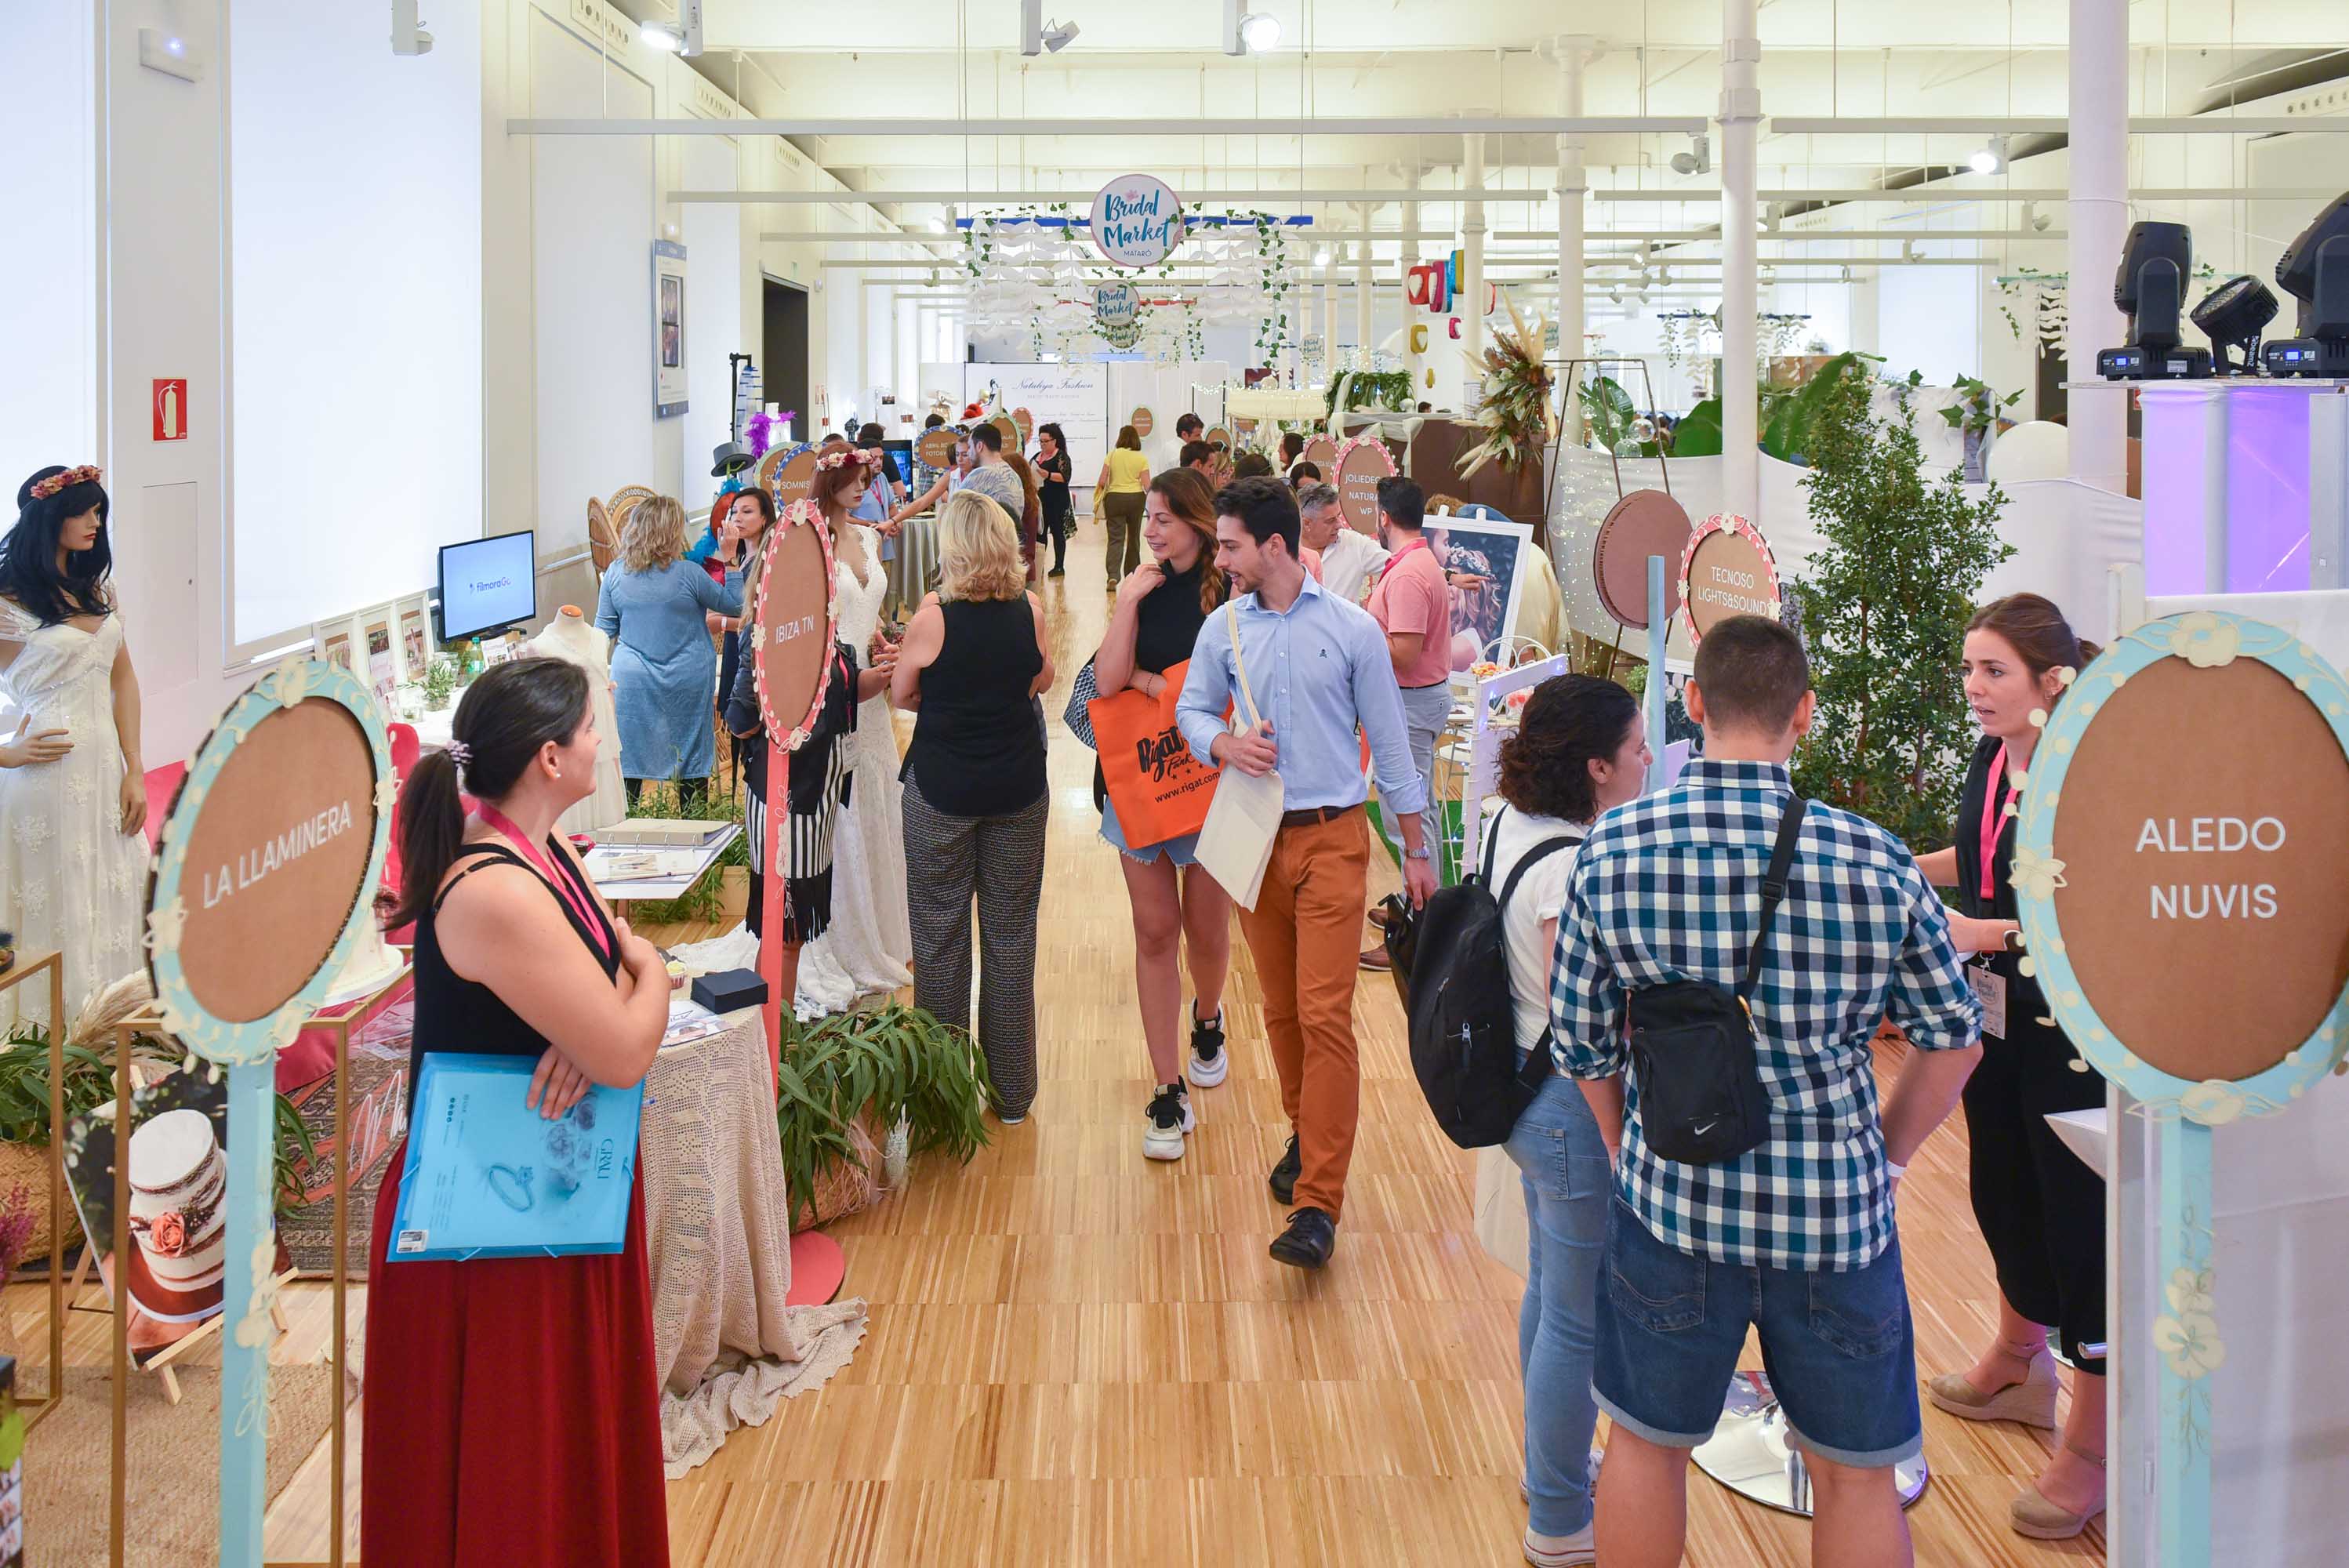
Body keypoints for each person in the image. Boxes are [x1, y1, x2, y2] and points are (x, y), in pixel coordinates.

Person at [1551, 614, 1984, 1568]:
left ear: (1692, 703)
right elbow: (1952, 1040)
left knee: (1643, 1445)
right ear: (1805, 714)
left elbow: (1581, 1046)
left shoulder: (1613, 848)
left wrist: (1630, 1153)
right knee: (1856, 1473)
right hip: (1835, 1217)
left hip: (1673, 1207)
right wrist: (1890, 1155)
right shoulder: (1873, 859)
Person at [365, 656, 672, 1567]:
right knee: (512, 1473)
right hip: (488, 1230)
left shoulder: (548, 850)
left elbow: (609, 989)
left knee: (560, 1454)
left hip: (548, 1194)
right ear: (547, 757)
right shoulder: (494, 885)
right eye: (588, 728)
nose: (601, 739)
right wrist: (649, 975)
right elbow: (625, 1025)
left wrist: (614, 1001)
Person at [1176, 477, 1437, 1269]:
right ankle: (1305, 1128)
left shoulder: (1353, 630)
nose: (1218, 559)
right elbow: (1191, 710)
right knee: (1283, 1013)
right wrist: (1221, 745)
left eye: (1228, 546)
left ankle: (1318, 1201)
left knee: (1325, 1014)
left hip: (1332, 838)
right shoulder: (1221, 629)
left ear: (1275, 546)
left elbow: (1390, 745)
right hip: (1255, 840)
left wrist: (1416, 847)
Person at [1914, 592, 2109, 1541]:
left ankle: (2094, 1444)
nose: (1973, 688)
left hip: (2071, 1032)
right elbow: (1984, 858)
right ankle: (2017, 1357)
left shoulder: (2088, 778)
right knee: (2000, 1183)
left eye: (1992, 670)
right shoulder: (1994, 760)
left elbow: (2095, 913)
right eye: (1967, 668)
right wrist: (1908, 866)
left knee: (2077, 1219)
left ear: (2050, 680)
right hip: (1994, 1017)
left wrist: (1977, 931)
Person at [1486, 676, 1650, 1568]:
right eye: (1633, 749)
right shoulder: (1570, 865)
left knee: (1552, 1292)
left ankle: (1546, 1465)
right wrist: (1618, 1126)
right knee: (1577, 1314)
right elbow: (1580, 1017)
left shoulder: (1510, 823)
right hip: (1565, 1106)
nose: (1648, 759)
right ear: (1594, 766)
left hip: (1521, 1091)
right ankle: (1556, 1512)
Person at [891, 492, 1055, 1124]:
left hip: (942, 791)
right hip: (1018, 787)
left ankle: (942, 1097)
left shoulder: (934, 615)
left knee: (939, 940)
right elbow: (1040, 680)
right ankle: (1013, 1095)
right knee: (1012, 939)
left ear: (952, 545)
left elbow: (905, 694)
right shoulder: (1030, 608)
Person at [1093, 468, 1234, 1160]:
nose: (1149, 529)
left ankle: (1208, 1019)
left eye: (1162, 519)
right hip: (1143, 784)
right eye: (1147, 517)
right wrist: (1125, 606)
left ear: (1197, 525)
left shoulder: (1230, 592)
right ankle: (1167, 1088)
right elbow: (1106, 679)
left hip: (1211, 787)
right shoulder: (1144, 589)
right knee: (1155, 931)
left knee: (1207, 930)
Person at [0, 465, 147, 1031]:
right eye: (84, 512)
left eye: (99, 513)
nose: (95, 523)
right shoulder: (8, 603)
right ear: (49, 518)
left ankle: (118, 1041)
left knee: (110, 906)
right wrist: (7, 753)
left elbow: (124, 678)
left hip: (107, 779)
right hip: (42, 786)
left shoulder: (96, 590)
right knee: (59, 912)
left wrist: (136, 767)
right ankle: (52, 1056)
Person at [594, 494, 741, 809]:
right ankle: (694, 837)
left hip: (631, 680)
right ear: (670, 532)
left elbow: (602, 632)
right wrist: (730, 559)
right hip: (686, 678)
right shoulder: (689, 574)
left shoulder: (616, 575)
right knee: (690, 757)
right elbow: (737, 605)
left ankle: (628, 831)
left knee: (630, 757)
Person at [1360, 474, 1452, 967]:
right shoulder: (1414, 564)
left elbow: (1404, 651)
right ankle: (1422, 913)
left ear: (1383, 517)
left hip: (1412, 703)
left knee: (1407, 817)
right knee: (1418, 812)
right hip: (1414, 701)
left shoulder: (1411, 574)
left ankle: (1420, 937)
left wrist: (1363, 626)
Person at [1296, 481, 1387, 605]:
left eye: (1338, 516)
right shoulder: (1285, 551)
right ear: (1307, 523)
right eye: (1330, 520)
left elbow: (1397, 564)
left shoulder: (1355, 544)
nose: (1339, 525)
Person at [1094, 425, 1152, 588]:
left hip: (1114, 499)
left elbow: (1102, 481)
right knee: (1134, 538)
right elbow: (1147, 486)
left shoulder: (1112, 455)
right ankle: (1132, 575)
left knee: (1115, 539)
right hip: (1136, 499)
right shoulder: (1141, 458)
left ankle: (1113, 575)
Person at [958, 421, 1029, 529]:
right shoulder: (1013, 474)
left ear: (980, 446)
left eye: (970, 446)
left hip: (985, 543)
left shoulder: (979, 475)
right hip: (1008, 541)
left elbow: (955, 514)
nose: (968, 452)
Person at [1034, 422, 1074, 577]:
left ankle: (1059, 566)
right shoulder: (1037, 457)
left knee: (1057, 533)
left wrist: (1048, 475)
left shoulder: (1061, 457)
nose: (1043, 444)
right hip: (1040, 501)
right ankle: (1040, 565)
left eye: (1046, 441)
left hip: (1057, 501)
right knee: (1040, 534)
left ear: (1054, 441)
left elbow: (1065, 477)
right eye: (1041, 441)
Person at [1003, 450, 1045, 583]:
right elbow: (1040, 529)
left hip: (1013, 569)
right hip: (1028, 565)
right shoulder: (1033, 499)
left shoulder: (1013, 502)